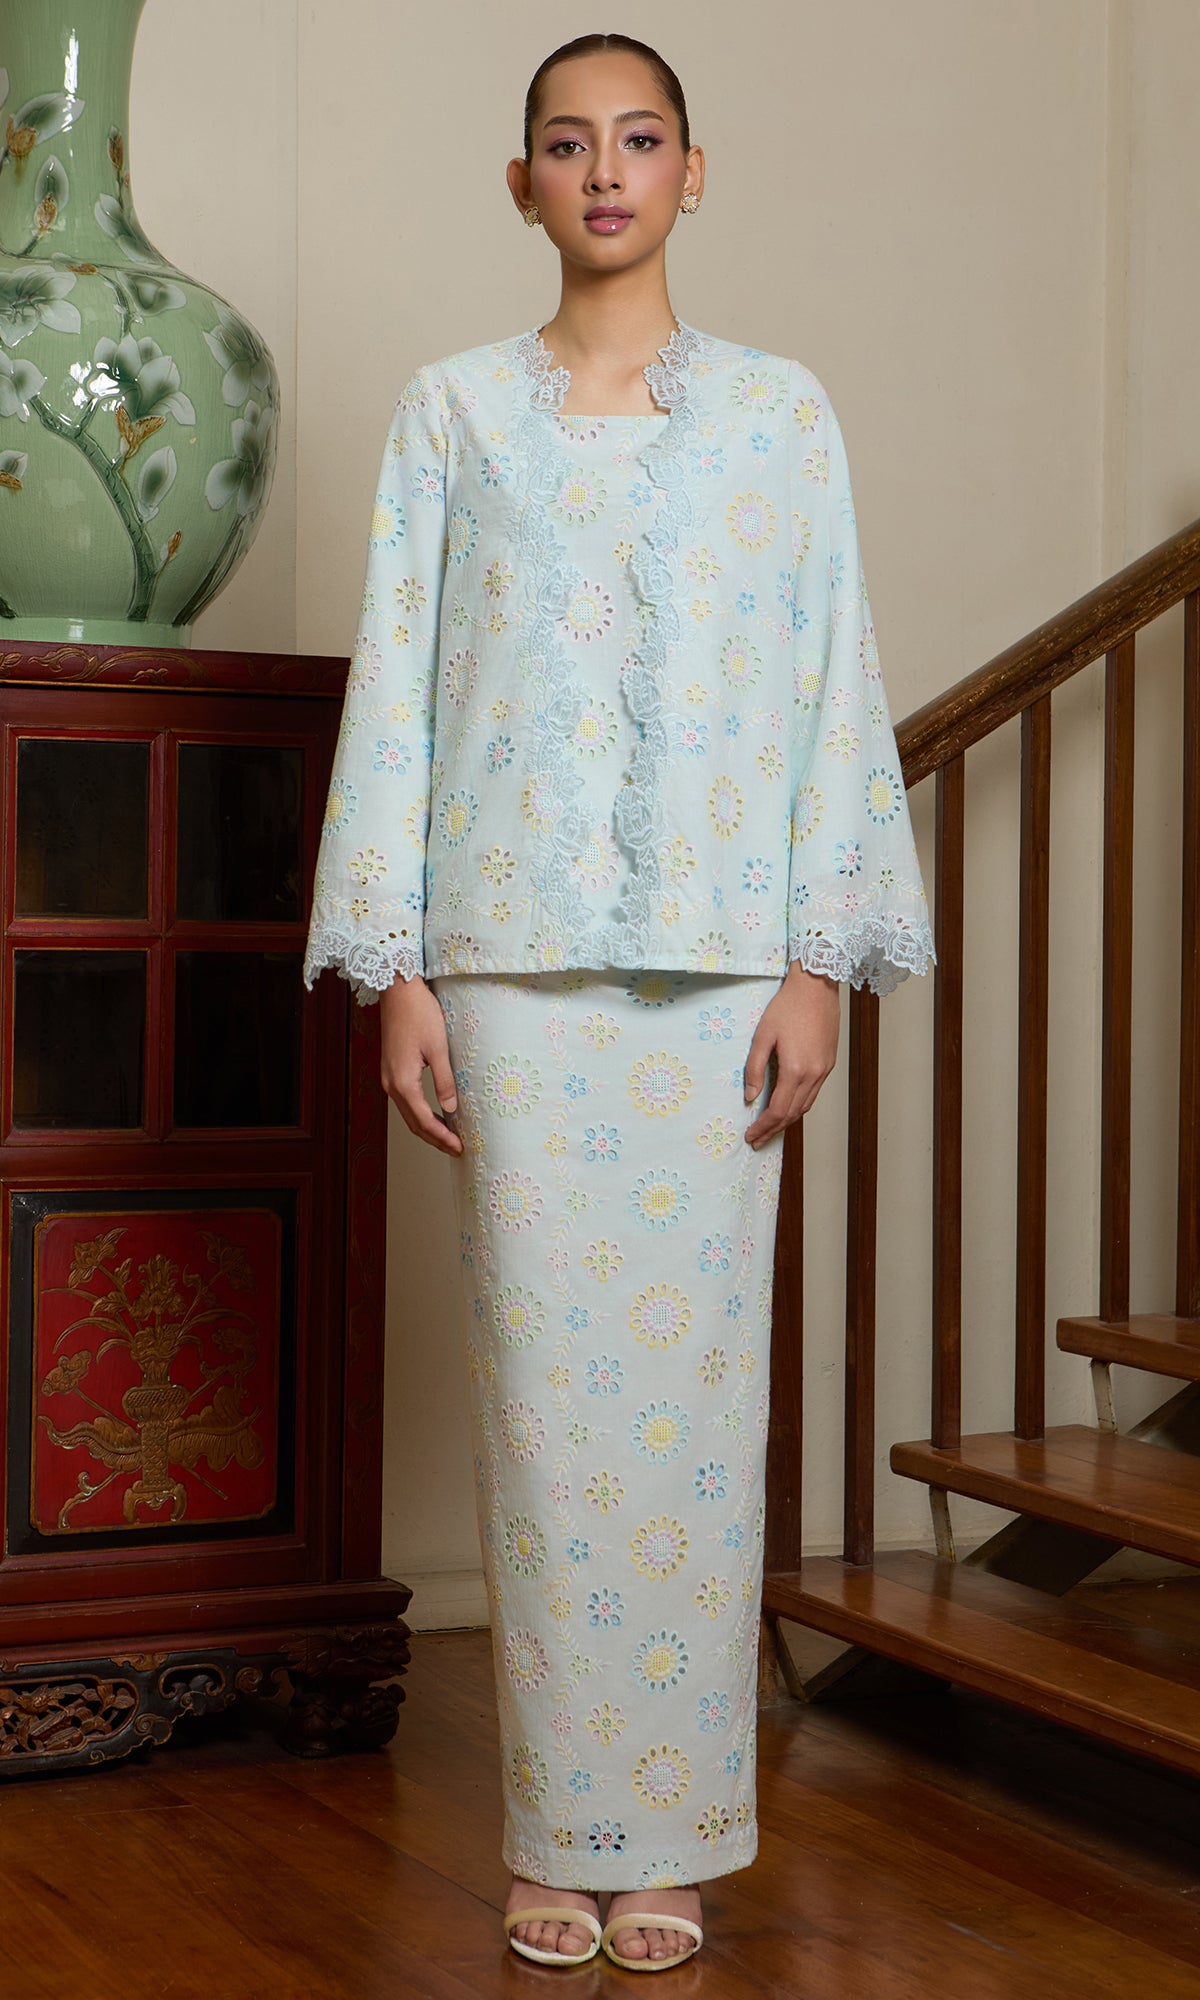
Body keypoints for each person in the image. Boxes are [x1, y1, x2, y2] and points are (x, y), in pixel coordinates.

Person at [304, 30, 934, 1972]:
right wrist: (399, 969)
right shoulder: (451, 417)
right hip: (510, 968)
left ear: (690, 170)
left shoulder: (781, 417)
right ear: (522, 184)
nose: (603, 170)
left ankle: (669, 1838)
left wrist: (818, 961)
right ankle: (557, 1830)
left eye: (638, 138)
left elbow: (831, 677)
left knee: (692, 1416)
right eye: (567, 144)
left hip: (722, 972)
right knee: (547, 1417)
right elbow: (398, 686)